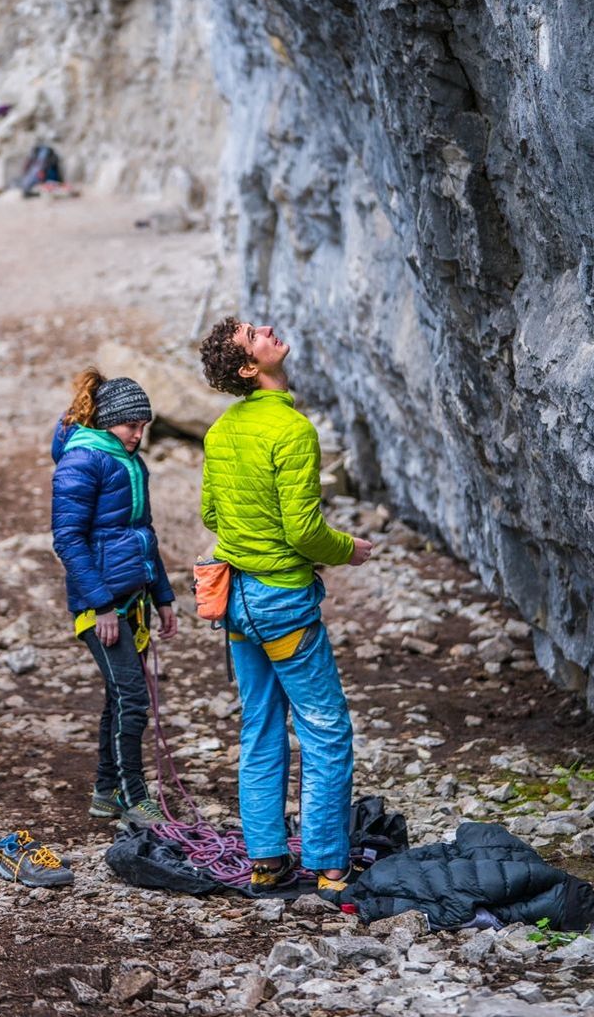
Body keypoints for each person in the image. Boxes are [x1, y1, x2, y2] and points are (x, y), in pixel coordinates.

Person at [199, 317, 372, 892]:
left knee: (261, 725)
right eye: (255, 335)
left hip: (237, 601)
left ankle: (268, 861)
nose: (268, 328)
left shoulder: (221, 432)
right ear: (250, 368)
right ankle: (328, 864)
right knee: (325, 728)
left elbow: (211, 517)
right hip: (281, 600)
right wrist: (349, 550)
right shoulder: (293, 429)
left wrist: (250, 538)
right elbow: (303, 531)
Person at [51, 367, 177, 828]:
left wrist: (162, 595)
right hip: (99, 604)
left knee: (119, 698)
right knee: (132, 697)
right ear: (108, 421)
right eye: (131, 426)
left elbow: (142, 533)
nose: (138, 435)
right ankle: (133, 796)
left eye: (143, 426)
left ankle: (105, 792)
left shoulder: (128, 461)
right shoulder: (83, 461)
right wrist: (101, 604)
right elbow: (68, 539)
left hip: (132, 598)